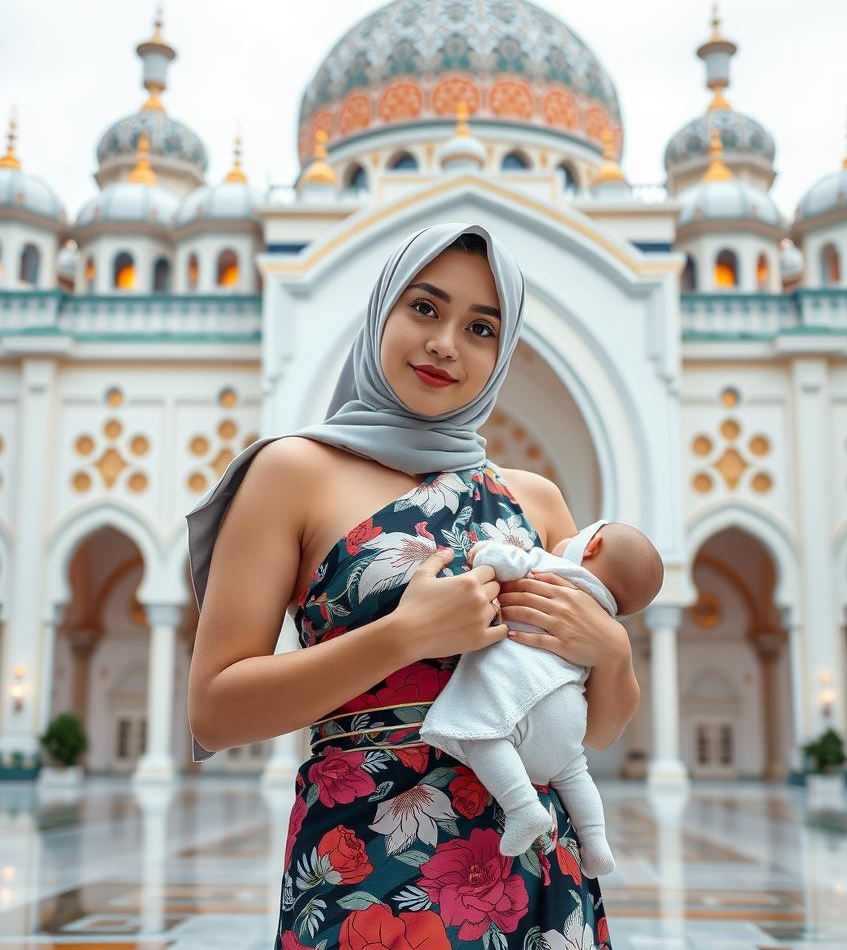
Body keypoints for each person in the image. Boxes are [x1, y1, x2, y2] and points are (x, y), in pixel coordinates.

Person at [185, 222, 639, 950]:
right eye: (425, 308)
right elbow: (215, 712)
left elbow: (592, 726)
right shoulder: (292, 473)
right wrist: (407, 635)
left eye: (481, 327)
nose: (446, 343)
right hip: (364, 867)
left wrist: (610, 652)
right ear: (382, 312)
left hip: (534, 874)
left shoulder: (536, 502)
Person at [420, 519, 664, 878]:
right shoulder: (602, 611)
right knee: (574, 772)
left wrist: (482, 552)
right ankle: (595, 842)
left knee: (482, 737)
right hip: (569, 713)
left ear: (591, 546)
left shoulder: (548, 565)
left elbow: (508, 561)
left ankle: (522, 808)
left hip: (520, 693)